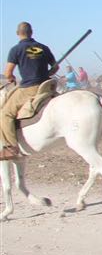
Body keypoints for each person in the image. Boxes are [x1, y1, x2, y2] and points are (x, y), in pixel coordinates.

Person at [1, 22, 58, 160]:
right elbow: (55, 67)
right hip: (46, 85)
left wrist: (11, 78)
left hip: (29, 88)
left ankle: (11, 147)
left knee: (4, 114)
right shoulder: (43, 48)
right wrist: (47, 72)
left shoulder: (16, 49)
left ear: (17, 33)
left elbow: (8, 73)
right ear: (31, 32)